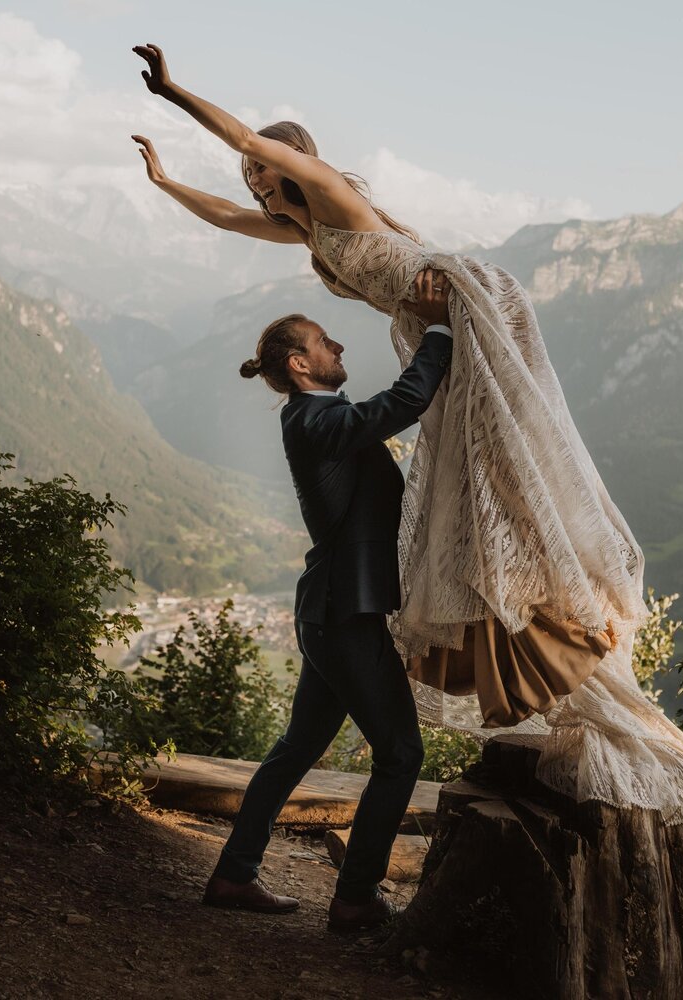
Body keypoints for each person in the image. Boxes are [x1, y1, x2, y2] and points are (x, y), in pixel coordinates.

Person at [130, 44, 683, 825]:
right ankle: (530, 633)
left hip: (456, 308)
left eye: (263, 172)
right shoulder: (308, 230)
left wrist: (173, 91)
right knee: (473, 495)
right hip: (430, 325)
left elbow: (246, 139)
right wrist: (165, 181)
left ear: (293, 163)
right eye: (253, 178)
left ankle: (565, 613)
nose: (252, 181)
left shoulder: (336, 195)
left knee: (502, 479)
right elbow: (225, 215)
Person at [202, 273, 453, 931]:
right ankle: (356, 896)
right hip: (345, 615)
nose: (337, 344)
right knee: (401, 755)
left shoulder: (309, 417)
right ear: (300, 363)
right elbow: (401, 404)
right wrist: (437, 330)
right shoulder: (320, 417)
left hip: (327, 613)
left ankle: (233, 875)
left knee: (293, 750)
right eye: (323, 340)